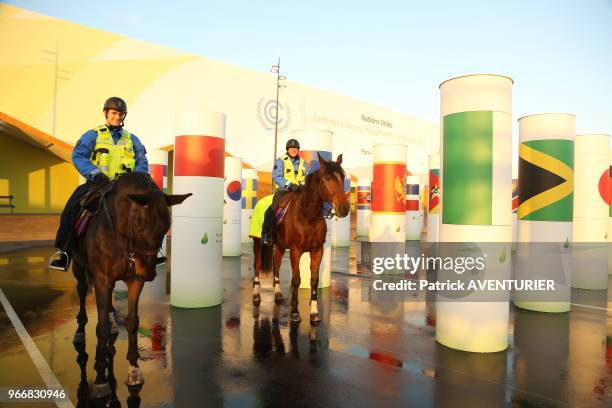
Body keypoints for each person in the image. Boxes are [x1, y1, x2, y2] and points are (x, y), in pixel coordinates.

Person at [48, 97, 153, 271]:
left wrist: (137, 179)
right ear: (106, 113)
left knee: (151, 208)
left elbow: (141, 160)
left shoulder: (132, 139)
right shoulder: (93, 135)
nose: (117, 117)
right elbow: (79, 156)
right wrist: (95, 175)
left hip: (125, 186)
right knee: (72, 207)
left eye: (120, 114)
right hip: (98, 184)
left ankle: (152, 253)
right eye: (114, 113)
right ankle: (64, 252)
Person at [260, 138, 311, 245]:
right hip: (284, 191)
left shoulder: (304, 163)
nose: (293, 150)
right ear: (288, 149)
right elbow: (276, 176)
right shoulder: (281, 161)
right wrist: (289, 185)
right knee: (272, 209)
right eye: (291, 148)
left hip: (300, 191)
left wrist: (303, 185)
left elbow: (308, 177)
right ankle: (266, 234)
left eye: (296, 148)